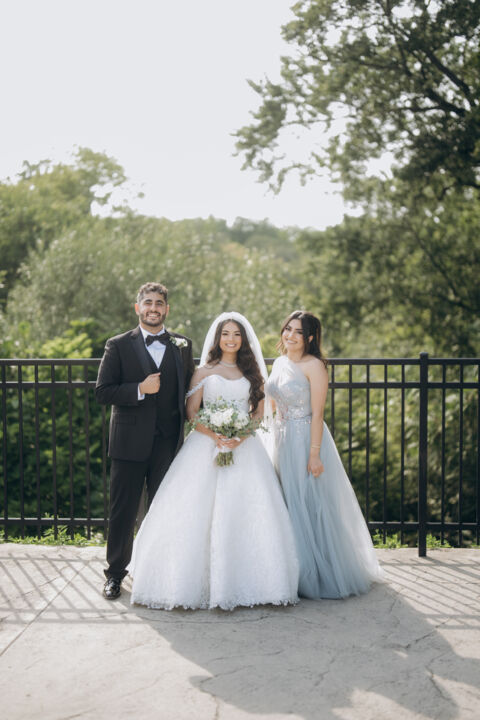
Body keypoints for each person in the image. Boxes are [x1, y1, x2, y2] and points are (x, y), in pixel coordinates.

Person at [128, 312, 299, 610]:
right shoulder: (203, 371)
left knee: (248, 512)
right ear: (218, 339)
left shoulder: (252, 374)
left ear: (243, 340)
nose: (231, 339)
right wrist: (216, 435)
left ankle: (252, 581)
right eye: (226, 334)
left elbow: (258, 413)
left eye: (236, 334)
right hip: (205, 446)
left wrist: (238, 437)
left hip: (245, 448)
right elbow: (192, 412)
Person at [266, 310, 384, 599]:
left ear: (309, 338)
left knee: (308, 503)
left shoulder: (315, 366)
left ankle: (315, 573)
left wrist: (314, 454)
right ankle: (288, 570)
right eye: (287, 329)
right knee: (284, 501)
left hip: (304, 439)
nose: (290, 335)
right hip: (280, 438)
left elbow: (318, 414)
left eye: (298, 331)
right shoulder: (280, 362)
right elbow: (271, 401)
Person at [95, 282, 195, 600]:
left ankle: (158, 574)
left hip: (168, 443)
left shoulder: (182, 345)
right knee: (123, 511)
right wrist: (139, 389)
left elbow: (191, 388)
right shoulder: (117, 345)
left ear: (167, 308)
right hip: (128, 442)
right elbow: (103, 391)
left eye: (159, 303)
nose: (154, 308)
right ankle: (115, 575)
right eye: (148, 302)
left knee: (162, 510)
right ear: (138, 308)